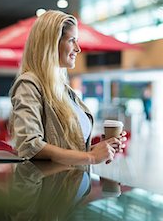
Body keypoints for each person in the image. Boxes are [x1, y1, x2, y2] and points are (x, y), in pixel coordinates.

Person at [10, 10, 124, 165]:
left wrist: (98, 149)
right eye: (72, 40)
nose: (78, 48)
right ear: (51, 44)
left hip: (73, 184)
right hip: (49, 187)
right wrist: (90, 157)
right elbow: (29, 145)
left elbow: (66, 148)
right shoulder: (29, 84)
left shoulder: (64, 90)